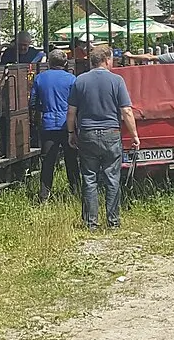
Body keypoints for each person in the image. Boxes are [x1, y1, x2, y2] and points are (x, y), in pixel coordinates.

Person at [66, 46, 139, 229]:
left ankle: (91, 223)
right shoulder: (116, 80)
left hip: (88, 134)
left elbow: (71, 112)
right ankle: (113, 221)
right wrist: (134, 136)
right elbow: (127, 111)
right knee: (112, 178)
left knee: (89, 178)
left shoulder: (79, 81)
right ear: (106, 60)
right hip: (111, 133)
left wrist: (71, 133)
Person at [30, 51, 78, 199]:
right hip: (67, 125)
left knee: (48, 161)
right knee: (71, 160)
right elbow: (77, 103)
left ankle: (44, 195)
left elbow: (32, 102)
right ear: (65, 63)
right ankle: (76, 192)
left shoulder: (40, 78)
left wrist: (43, 109)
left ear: (49, 63)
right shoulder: (72, 79)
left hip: (48, 124)